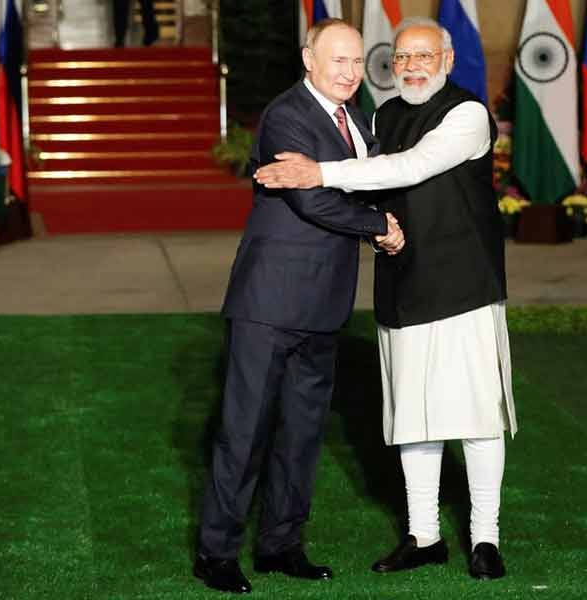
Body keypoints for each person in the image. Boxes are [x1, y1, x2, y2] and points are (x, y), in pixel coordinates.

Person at [254, 16, 515, 581]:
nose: (412, 67)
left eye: (425, 56)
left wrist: (317, 172)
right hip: (403, 279)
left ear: (447, 60)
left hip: (465, 283)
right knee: (412, 417)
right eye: (401, 58)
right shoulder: (383, 114)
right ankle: (424, 536)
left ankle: (486, 538)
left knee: (476, 417)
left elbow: (413, 166)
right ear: (391, 66)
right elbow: (375, 178)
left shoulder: (467, 115)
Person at [193, 19, 405, 595]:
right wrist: (376, 226)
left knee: (303, 434)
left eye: (358, 62)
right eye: (338, 61)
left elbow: (373, 176)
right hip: (269, 302)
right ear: (309, 59)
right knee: (244, 432)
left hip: (324, 304)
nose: (350, 73)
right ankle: (216, 553)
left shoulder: (358, 119)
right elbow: (314, 199)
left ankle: (281, 545)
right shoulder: (286, 115)